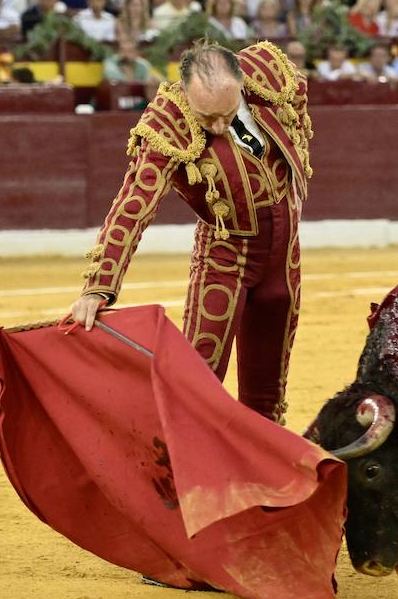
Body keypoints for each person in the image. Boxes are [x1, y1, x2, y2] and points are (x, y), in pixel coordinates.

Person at [68, 41, 314, 424]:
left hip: (285, 258)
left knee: (267, 398)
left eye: (228, 113)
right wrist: (100, 284)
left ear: (241, 84)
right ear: (185, 93)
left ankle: (261, 477)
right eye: (207, 117)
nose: (218, 126)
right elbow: (133, 205)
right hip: (225, 258)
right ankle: (188, 476)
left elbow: (298, 104)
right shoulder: (166, 122)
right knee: (197, 385)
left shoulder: (268, 73)